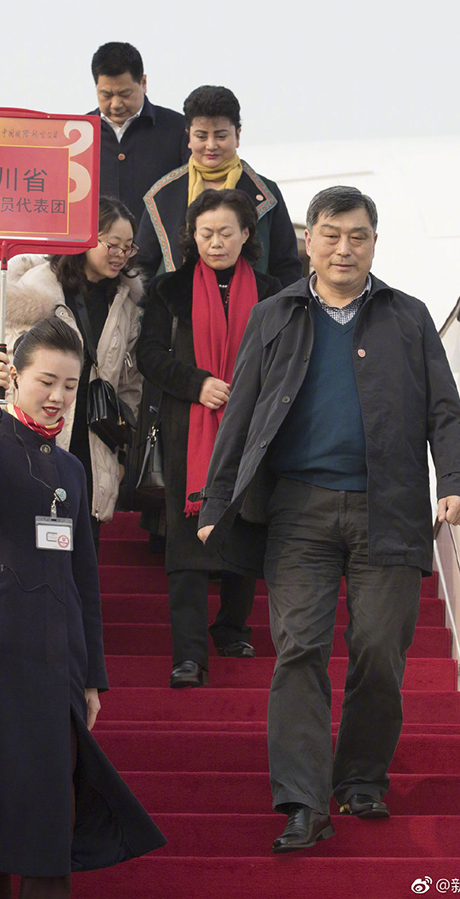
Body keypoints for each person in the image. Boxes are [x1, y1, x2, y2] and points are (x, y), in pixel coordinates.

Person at [196, 186, 460, 852]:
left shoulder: (407, 317)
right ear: (309, 241)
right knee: (299, 649)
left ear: (374, 242)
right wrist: (215, 500)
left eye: (357, 236)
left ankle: (359, 780)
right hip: (298, 510)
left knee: (379, 650)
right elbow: (242, 412)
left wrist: (457, 482)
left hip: (390, 509)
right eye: (330, 234)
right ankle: (302, 801)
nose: (343, 248)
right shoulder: (274, 315)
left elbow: (444, 409)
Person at [0, 318, 166, 899]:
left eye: (70, 384)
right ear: (15, 376)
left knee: (47, 805)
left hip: (54, 661)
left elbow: (84, 577)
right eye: (46, 381)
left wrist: (91, 677)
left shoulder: (71, 469)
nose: (59, 396)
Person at [137, 189, 280, 687]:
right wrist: (196, 383)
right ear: (191, 237)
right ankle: (189, 654)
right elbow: (148, 354)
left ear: (246, 234)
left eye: (225, 232)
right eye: (205, 233)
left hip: (252, 429)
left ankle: (232, 628)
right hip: (187, 429)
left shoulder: (273, 292)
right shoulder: (169, 290)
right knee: (186, 540)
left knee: (244, 523)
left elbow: (287, 357)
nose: (215, 242)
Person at [0, 196, 142, 551]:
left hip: (95, 440)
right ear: (85, 237)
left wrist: (119, 450)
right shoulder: (37, 288)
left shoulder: (125, 302)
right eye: (112, 244)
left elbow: (130, 384)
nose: (120, 254)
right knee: (31, 544)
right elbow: (15, 371)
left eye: (128, 247)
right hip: (40, 433)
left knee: (83, 549)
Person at [136, 85, 302, 287]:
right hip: (178, 305)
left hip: (254, 305)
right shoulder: (162, 194)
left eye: (221, 136)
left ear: (237, 136)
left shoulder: (266, 193)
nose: (211, 145)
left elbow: (286, 266)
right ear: (188, 136)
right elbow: (142, 267)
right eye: (201, 136)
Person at [89, 41, 189, 226]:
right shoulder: (79, 135)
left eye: (125, 94)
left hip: (159, 243)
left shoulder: (178, 129)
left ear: (143, 83)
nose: (116, 104)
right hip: (96, 244)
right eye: (106, 95)